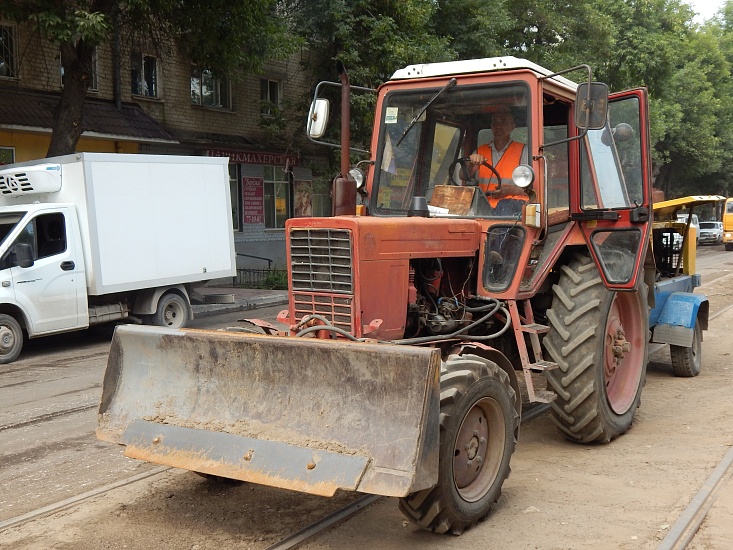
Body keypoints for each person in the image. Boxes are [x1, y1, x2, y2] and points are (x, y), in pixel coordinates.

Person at [469, 105, 529, 216]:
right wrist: (470, 165)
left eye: (503, 121)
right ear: (491, 126)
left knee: (504, 205)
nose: (498, 126)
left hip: (514, 206)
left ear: (512, 126)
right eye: (495, 122)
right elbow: (463, 176)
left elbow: (533, 190)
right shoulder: (480, 151)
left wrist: (509, 190)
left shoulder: (523, 151)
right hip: (484, 205)